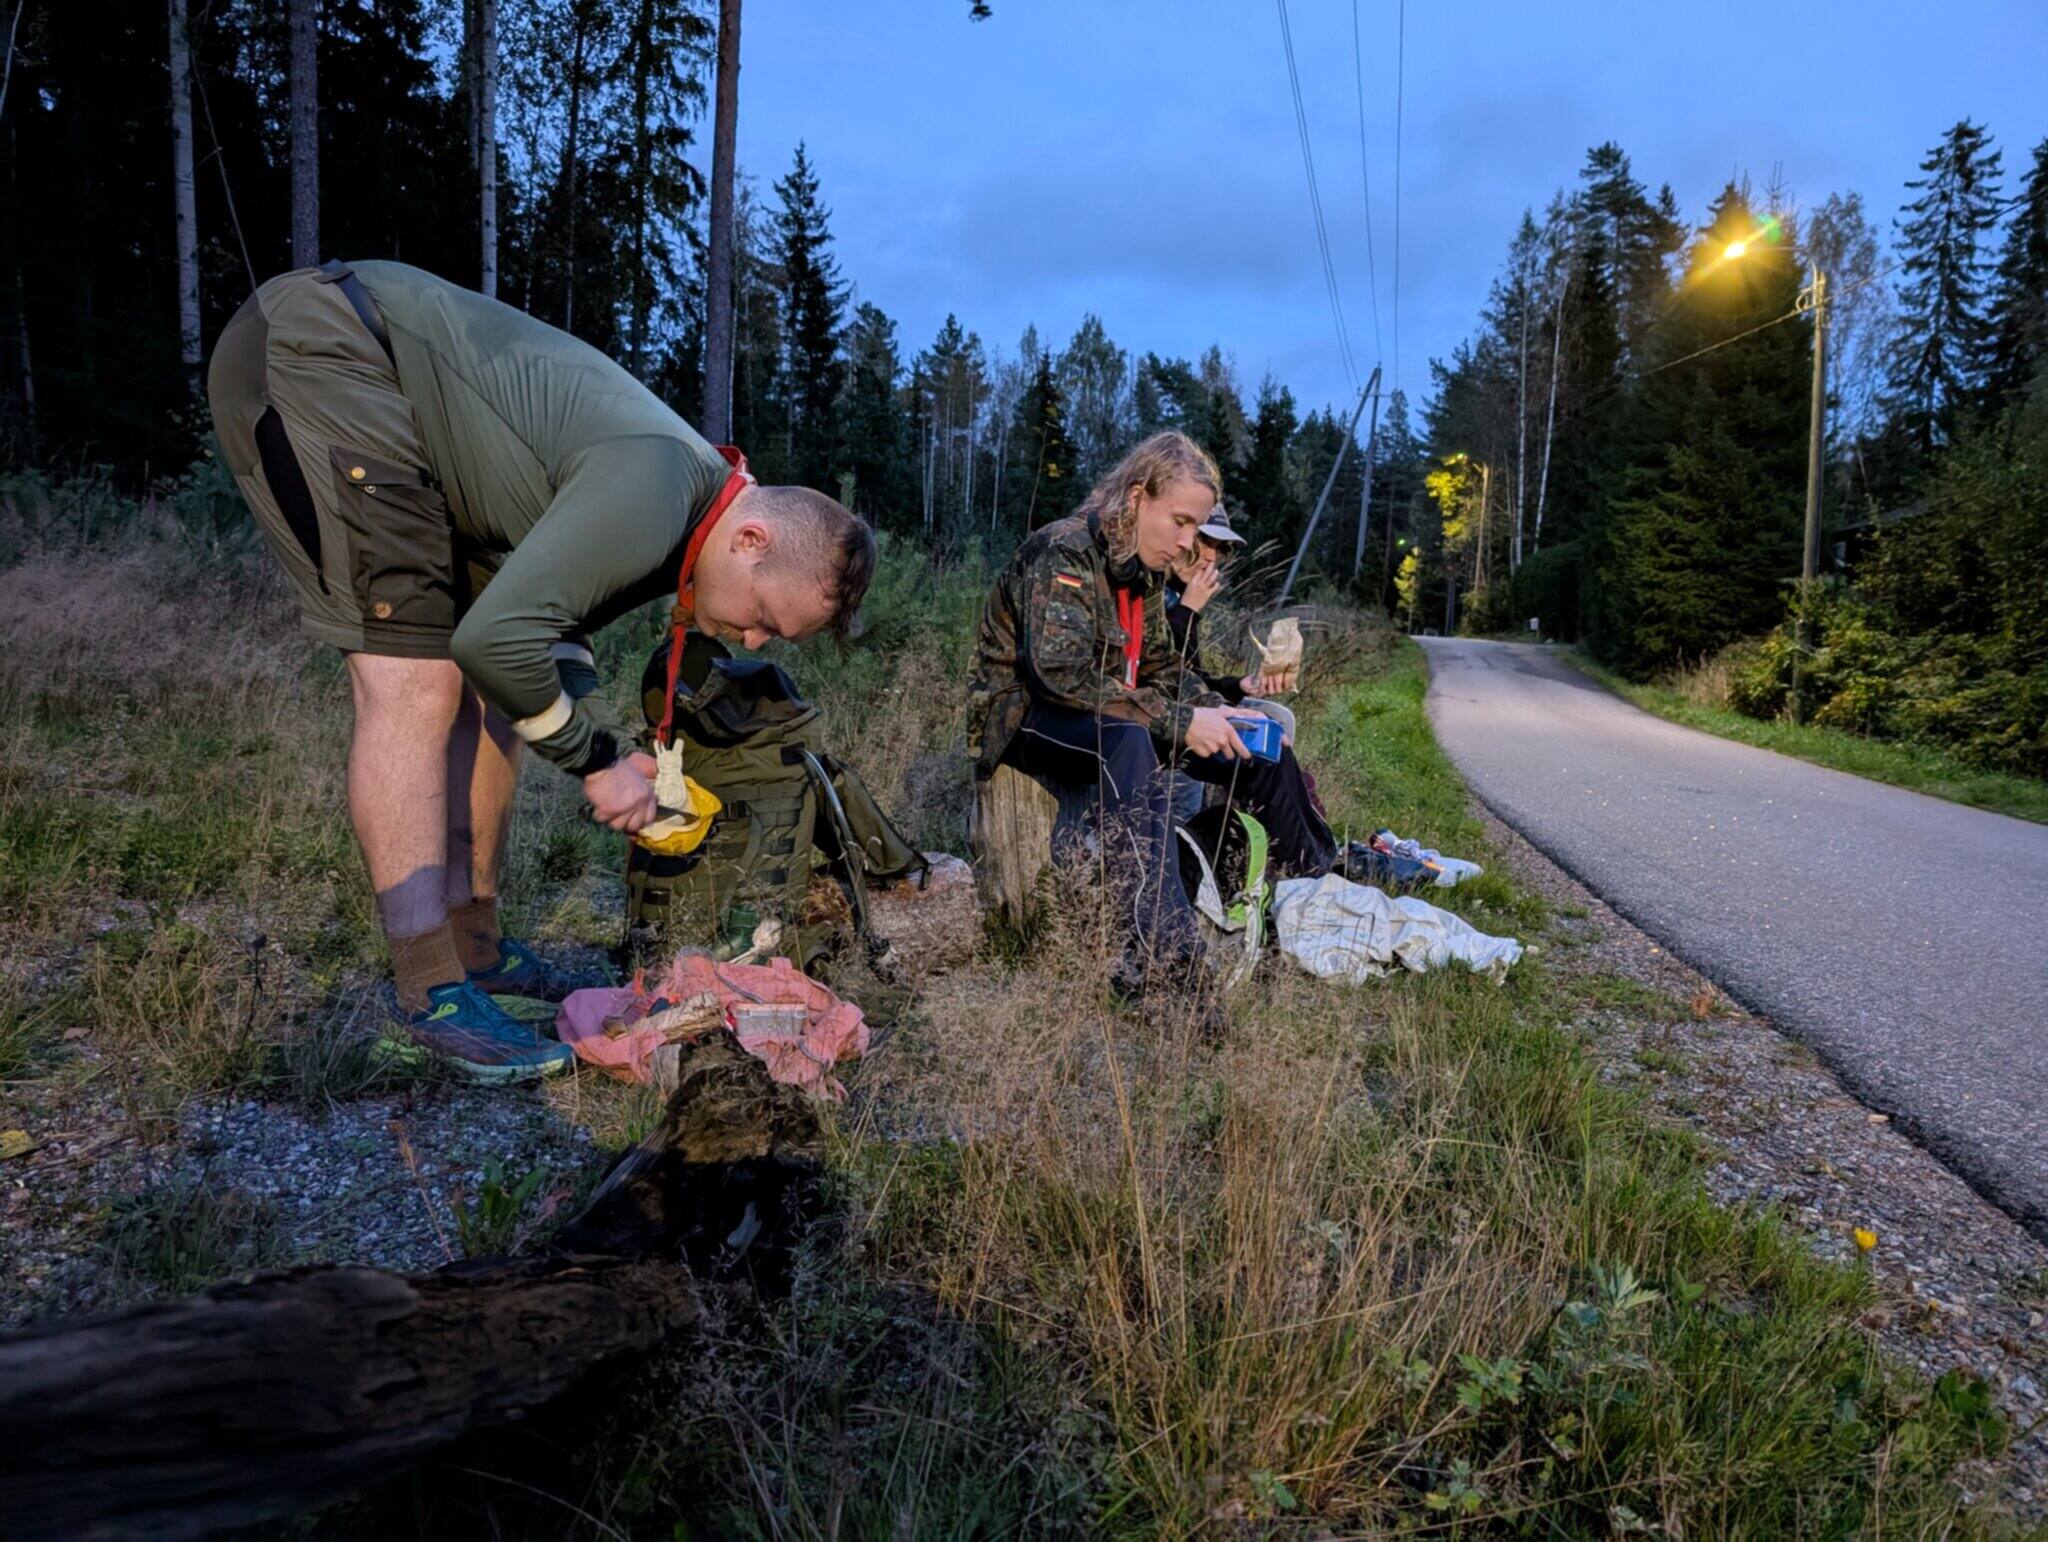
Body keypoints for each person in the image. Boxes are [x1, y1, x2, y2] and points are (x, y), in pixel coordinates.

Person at [208, 259, 875, 1082]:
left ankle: (475, 947)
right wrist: (596, 764)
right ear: (751, 541)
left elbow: (549, 637)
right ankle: (428, 991)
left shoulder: (685, 512)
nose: (753, 640)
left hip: (391, 405)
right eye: (764, 618)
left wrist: (603, 742)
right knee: (417, 681)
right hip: (330, 357)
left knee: (496, 702)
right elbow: (495, 640)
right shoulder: (658, 487)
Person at [967, 431, 1338, 996]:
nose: (1189, 542)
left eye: (1197, 527)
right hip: (1023, 717)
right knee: (1130, 742)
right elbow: (1059, 677)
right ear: (1137, 497)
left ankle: (1311, 893)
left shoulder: (1141, 570)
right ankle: (1163, 956)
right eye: (1182, 522)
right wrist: (1180, 722)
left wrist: (1221, 712)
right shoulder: (1065, 550)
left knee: (1256, 749)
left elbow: (1165, 669)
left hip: (1110, 711)